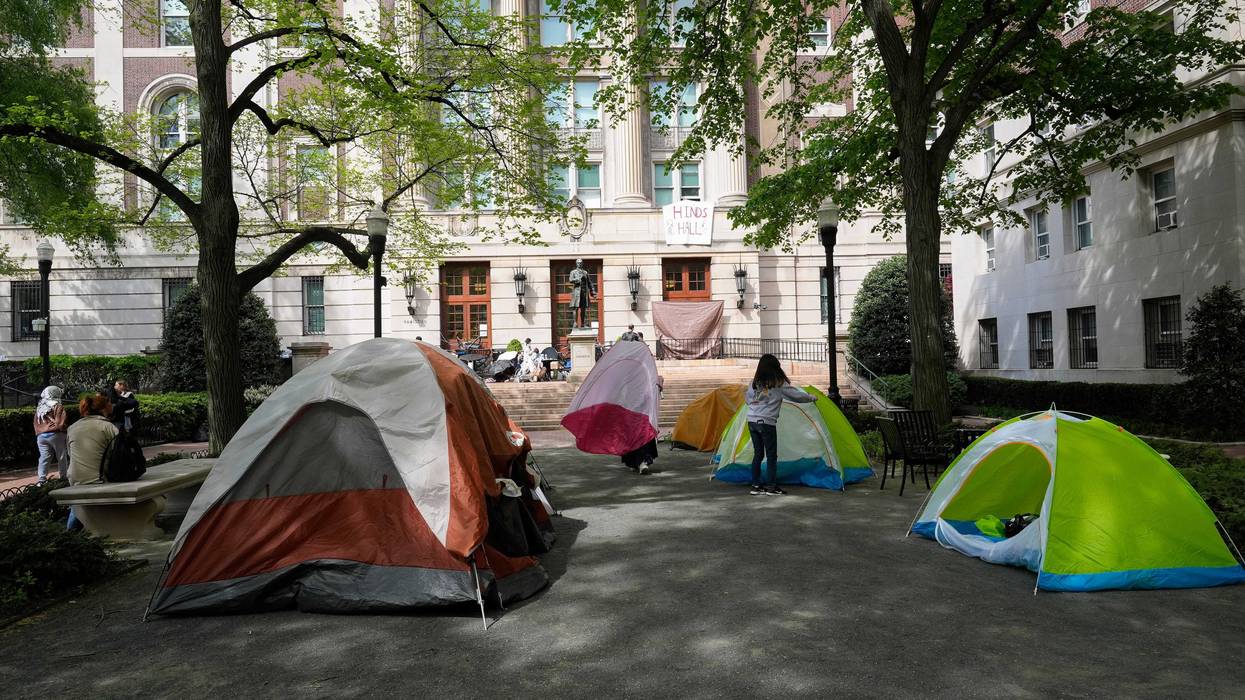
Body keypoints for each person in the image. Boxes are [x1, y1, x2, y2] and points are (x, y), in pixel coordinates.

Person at [745, 354, 814, 496]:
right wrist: (811, 397)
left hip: (752, 421)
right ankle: (771, 487)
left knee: (758, 454)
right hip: (766, 422)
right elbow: (796, 395)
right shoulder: (778, 382)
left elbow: (748, 400)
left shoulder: (754, 382)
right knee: (771, 455)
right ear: (776, 367)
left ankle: (756, 486)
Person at [66, 394, 120, 529]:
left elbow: (69, 453)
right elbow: (118, 456)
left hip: (74, 478)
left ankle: (69, 534)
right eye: (109, 403)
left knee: (77, 507)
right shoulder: (109, 427)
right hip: (99, 478)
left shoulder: (72, 427)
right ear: (104, 408)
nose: (112, 405)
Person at [620, 374, 664, 475]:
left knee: (644, 437)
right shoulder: (628, 379)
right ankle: (635, 462)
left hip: (644, 414)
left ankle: (642, 462)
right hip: (631, 413)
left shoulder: (646, 374)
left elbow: (654, 387)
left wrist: (658, 384)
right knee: (633, 438)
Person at [32, 386, 68, 485]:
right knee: (61, 456)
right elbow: (60, 422)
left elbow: (36, 422)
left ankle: (41, 479)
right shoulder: (57, 405)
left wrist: (39, 432)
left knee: (44, 457)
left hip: (41, 436)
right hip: (55, 434)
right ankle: (63, 477)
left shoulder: (40, 406)